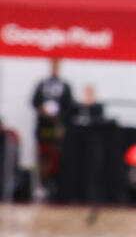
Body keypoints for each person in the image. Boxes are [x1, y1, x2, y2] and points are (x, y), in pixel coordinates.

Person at [31, 57, 74, 200]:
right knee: (42, 155)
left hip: (57, 126)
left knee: (56, 156)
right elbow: (34, 102)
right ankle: (41, 185)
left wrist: (59, 115)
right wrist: (42, 109)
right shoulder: (42, 84)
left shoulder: (64, 86)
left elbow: (69, 106)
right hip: (43, 126)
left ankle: (54, 186)